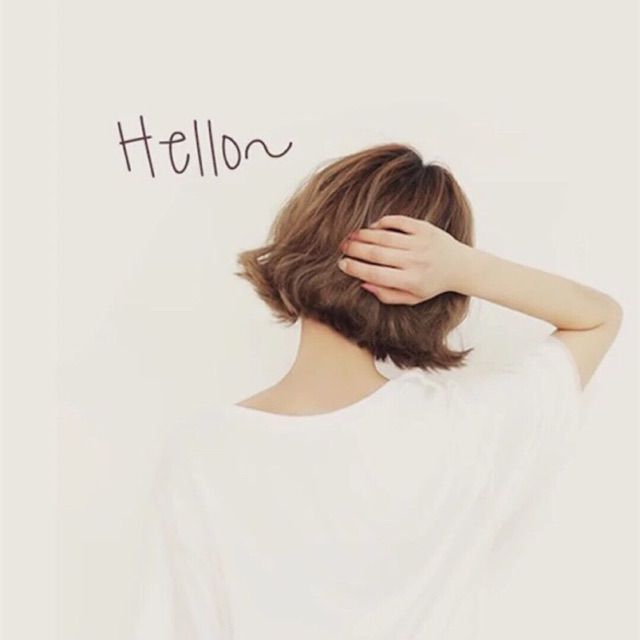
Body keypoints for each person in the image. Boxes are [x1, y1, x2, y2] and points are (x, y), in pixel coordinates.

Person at [130, 144, 623, 639]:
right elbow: (598, 318)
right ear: (435, 296)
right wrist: (463, 268)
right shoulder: (467, 429)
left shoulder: (203, 452)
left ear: (309, 232)